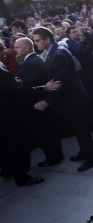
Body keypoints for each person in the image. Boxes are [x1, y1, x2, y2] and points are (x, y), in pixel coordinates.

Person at [31, 27, 93, 172]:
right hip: (69, 99)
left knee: (81, 130)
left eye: (37, 40)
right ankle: (83, 152)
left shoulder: (58, 54)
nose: (35, 43)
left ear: (47, 40)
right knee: (76, 128)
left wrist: (46, 101)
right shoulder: (55, 51)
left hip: (73, 100)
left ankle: (91, 157)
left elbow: (59, 82)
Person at [0, 38, 61, 186]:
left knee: (8, 146)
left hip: (5, 116)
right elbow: (17, 92)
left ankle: (7, 170)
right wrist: (44, 88)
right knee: (19, 147)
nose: (7, 52)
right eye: (3, 49)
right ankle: (22, 177)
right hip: (10, 116)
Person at [13, 38, 64, 167]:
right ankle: (56, 155)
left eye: (17, 47)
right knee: (49, 130)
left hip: (38, 102)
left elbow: (33, 82)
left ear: (27, 48)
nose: (14, 50)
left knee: (44, 131)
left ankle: (53, 157)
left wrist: (21, 83)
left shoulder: (31, 62)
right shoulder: (33, 60)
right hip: (41, 100)